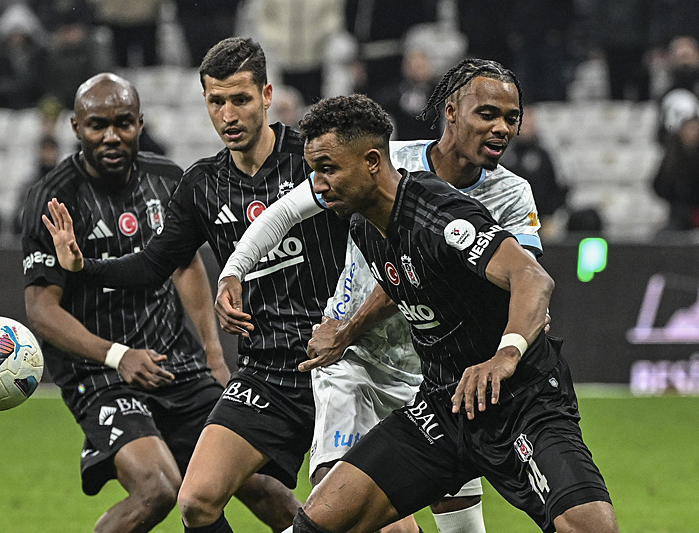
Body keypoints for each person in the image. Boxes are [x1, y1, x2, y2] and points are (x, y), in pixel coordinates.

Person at [217, 59, 545, 533]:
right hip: (351, 359)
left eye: (510, 119)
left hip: (433, 375)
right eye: (487, 114)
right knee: (340, 512)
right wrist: (233, 272)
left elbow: (517, 278)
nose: (501, 128)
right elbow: (284, 212)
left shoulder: (512, 196)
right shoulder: (384, 161)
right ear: (451, 112)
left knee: (463, 527)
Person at [42, 38, 350, 533]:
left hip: (340, 364)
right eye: (216, 101)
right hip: (267, 373)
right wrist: (83, 269)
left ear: (267, 96)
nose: (228, 114)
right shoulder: (202, 185)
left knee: (363, 519)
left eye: (241, 99)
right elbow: (153, 265)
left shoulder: (313, 160)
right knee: (197, 500)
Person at [288, 93, 619, 533]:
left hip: (521, 402)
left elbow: (533, 278)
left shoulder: (440, 214)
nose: (319, 184)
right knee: (320, 520)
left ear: (371, 161)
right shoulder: (364, 224)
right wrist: (349, 330)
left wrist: (505, 355)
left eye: (328, 169)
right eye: (315, 171)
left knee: (590, 528)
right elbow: (400, 283)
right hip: (446, 405)